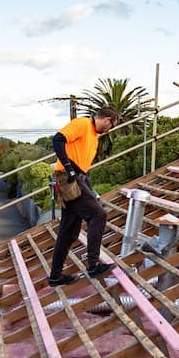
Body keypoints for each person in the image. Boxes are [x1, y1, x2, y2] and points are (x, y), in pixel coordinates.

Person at [47, 105, 117, 285]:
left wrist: (88, 187)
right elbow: (58, 139)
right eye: (111, 126)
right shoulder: (82, 124)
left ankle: (55, 276)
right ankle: (93, 265)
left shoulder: (93, 136)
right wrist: (69, 168)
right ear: (107, 120)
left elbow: (82, 166)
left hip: (79, 178)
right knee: (98, 215)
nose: (109, 130)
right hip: (69, 178)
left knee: (69, 231)